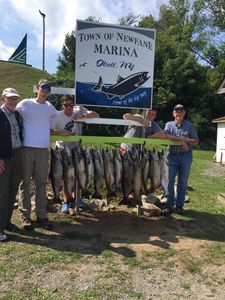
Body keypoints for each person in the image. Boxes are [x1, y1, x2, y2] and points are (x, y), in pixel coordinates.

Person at [16, 79, 57, 230]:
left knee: (41, 183)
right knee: (25, 182)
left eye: (48, 88)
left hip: (42, 150)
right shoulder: (26, 103)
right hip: (26, 148)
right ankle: (25, 216)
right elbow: (9, 110)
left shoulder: (50, 108)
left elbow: (54, 124)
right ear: (37, 88)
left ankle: (41, 215)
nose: (45, 91)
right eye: (43, 87)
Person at [50, 94, 99, 214]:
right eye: (66, 105)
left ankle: (77, 199)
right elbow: (49, 130)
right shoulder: (57, 116)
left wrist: (83, 116)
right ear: (62, 105)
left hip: (76, 148)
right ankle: (66, 201)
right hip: (62, 149)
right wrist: (61, 133)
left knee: (78, 174)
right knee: (66, 176)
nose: (69, 107)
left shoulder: (78, 111)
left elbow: (96, 115)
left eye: (71, 104)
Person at [163, 104, 199, 215]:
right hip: (172, 157)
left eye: (181, 111)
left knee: (182, 182)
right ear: (173, 113)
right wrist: (180, 139)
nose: (179, 113)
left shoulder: (190, 125)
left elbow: (196, 141)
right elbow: (166, 136)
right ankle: (169, 205)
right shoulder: (169, 125)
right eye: (176, 112)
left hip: (186, 157)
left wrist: (186, 139)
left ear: (184, 113)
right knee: (170, 181)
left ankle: (179, 206)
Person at [0, 88, 23, 241]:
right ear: (3, 98)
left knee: (12, 190)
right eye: (10, 98)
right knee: (2, 194)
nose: (13, 101)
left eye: (15, 98)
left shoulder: (16, 114)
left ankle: (7, 222)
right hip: (3, 159)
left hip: (17, 156)